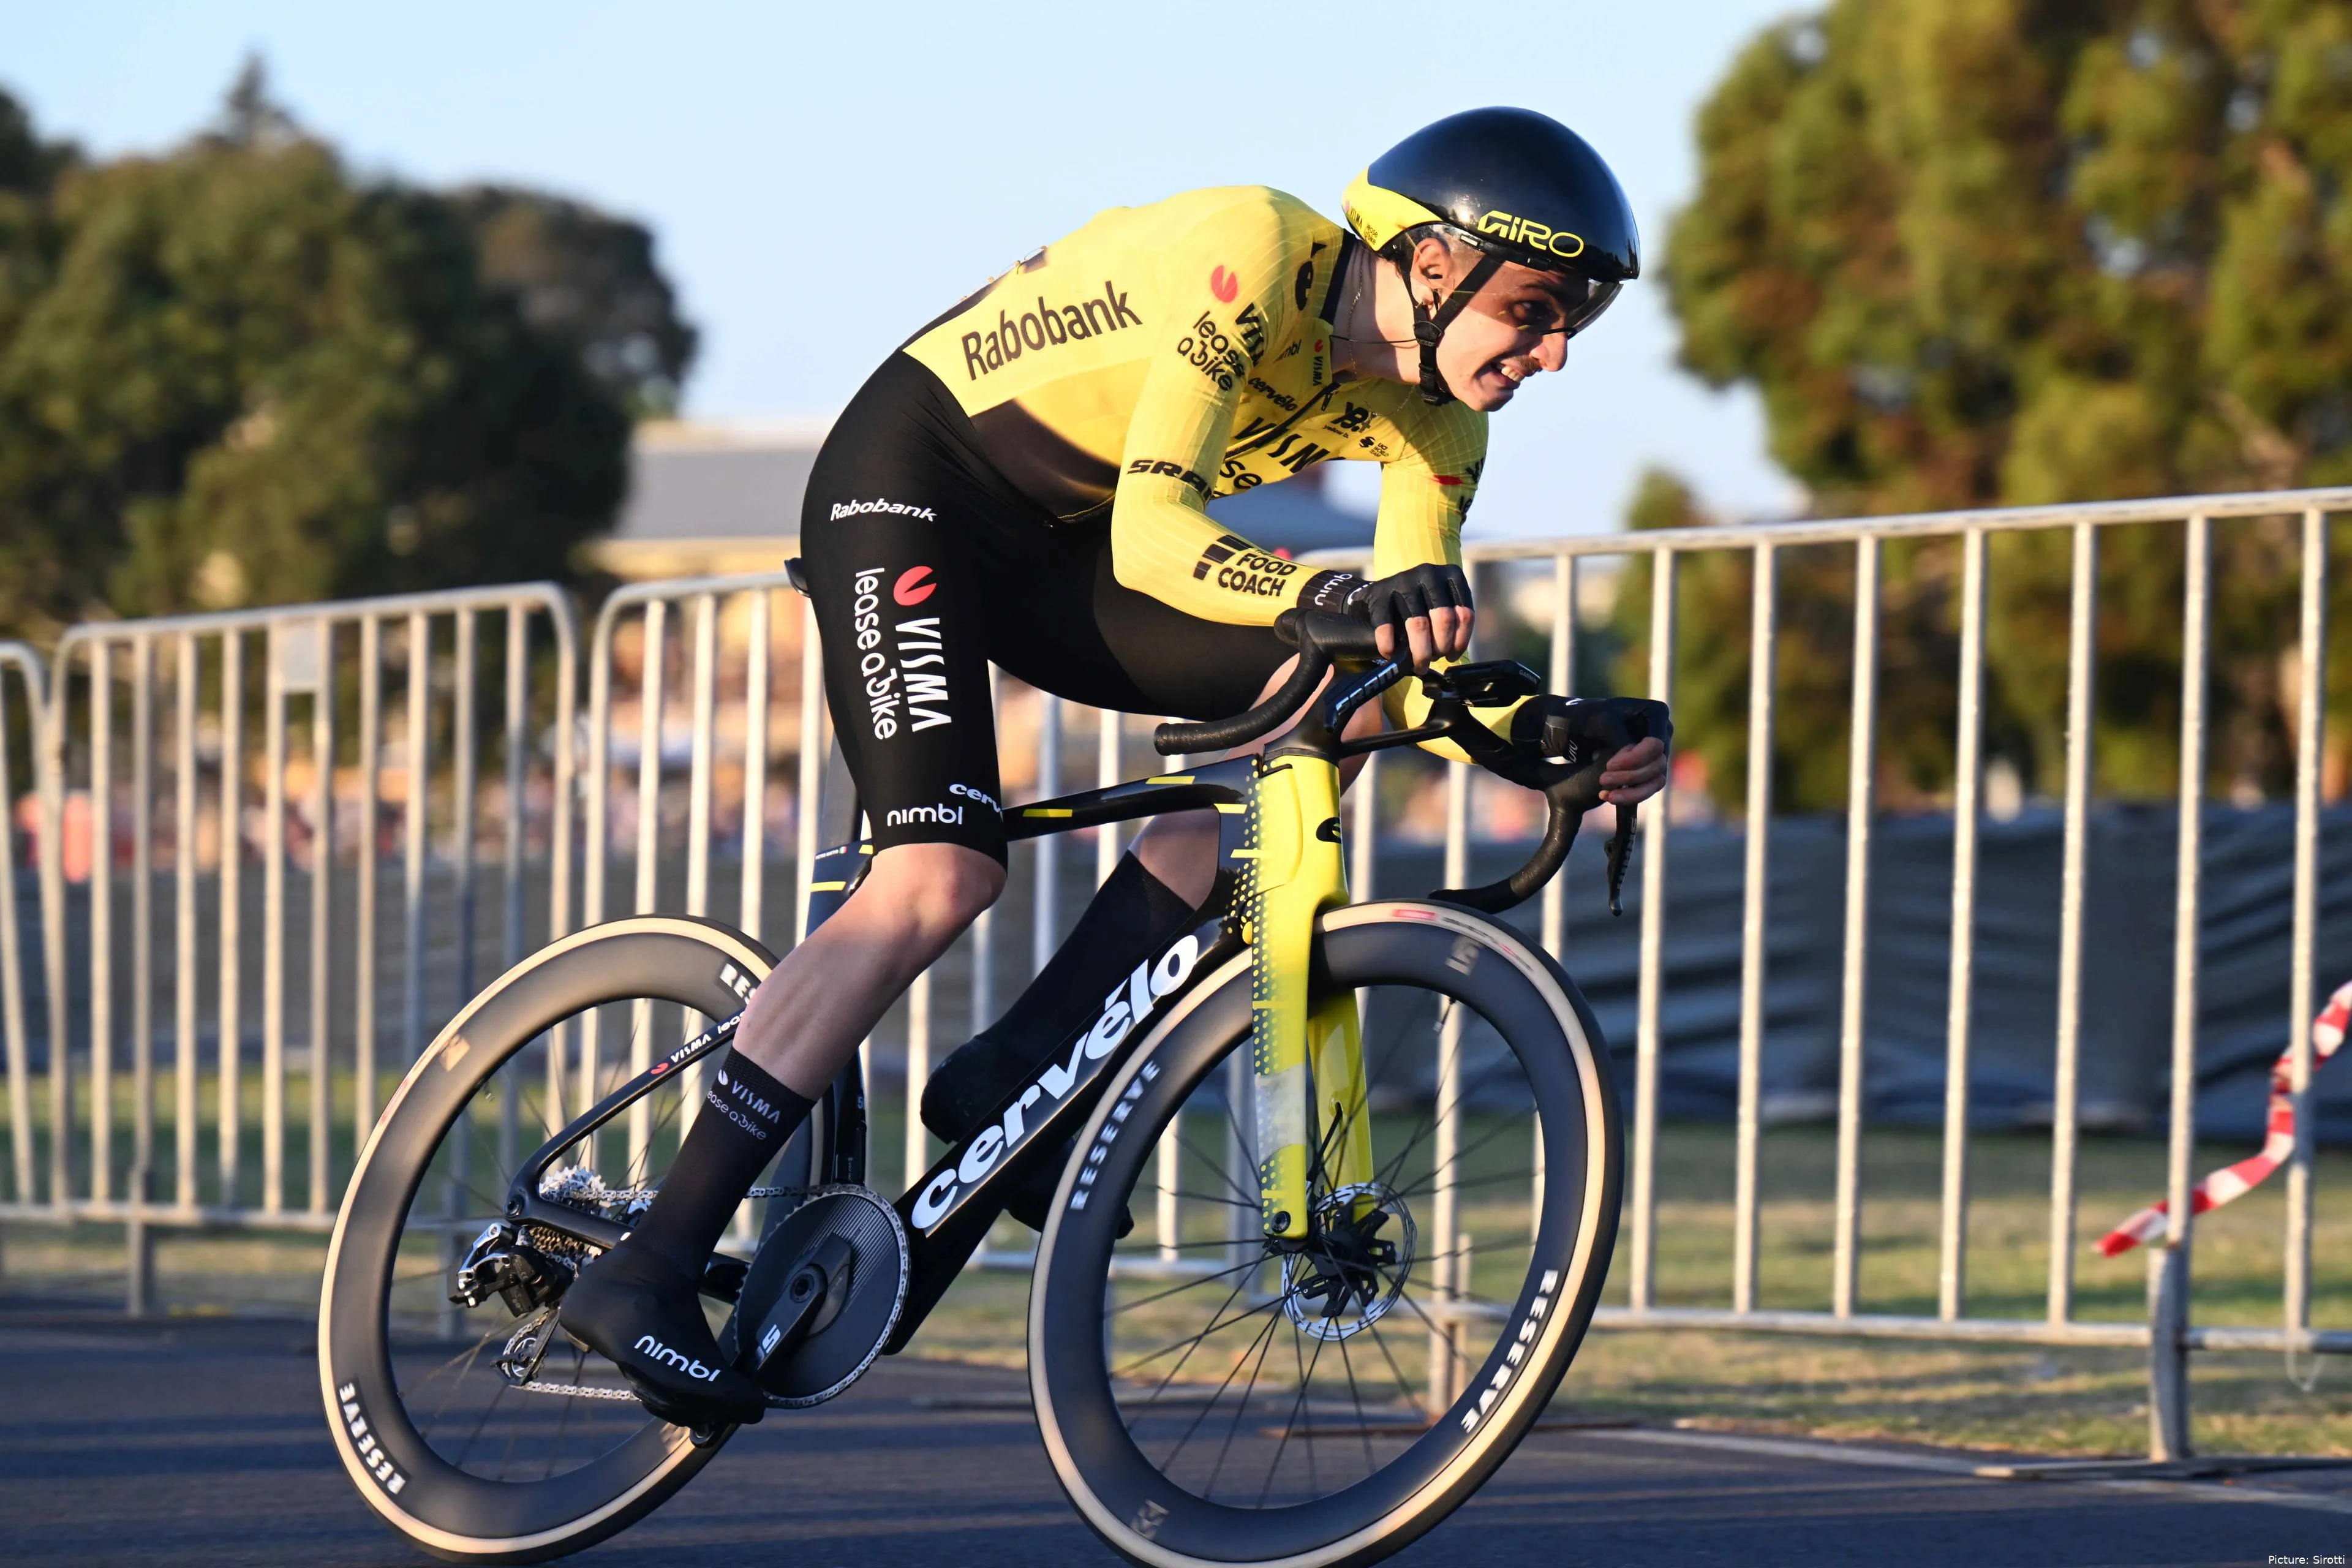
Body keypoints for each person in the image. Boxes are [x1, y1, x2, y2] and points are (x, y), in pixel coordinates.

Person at [559, 106, 1671, 1428]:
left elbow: (1405, 643)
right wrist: (1320, 593)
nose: (1552, 353)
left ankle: (1021, 1060)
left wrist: (1544, 728)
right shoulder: (1258, 253)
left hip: (1051, 552)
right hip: (915, 483)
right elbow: (1158, 535)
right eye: (1539, 309)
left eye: (1576, 327)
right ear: (1434, 265)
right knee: (937, 877)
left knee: (1352, 701)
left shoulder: (1440, 419)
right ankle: (650, 1261)